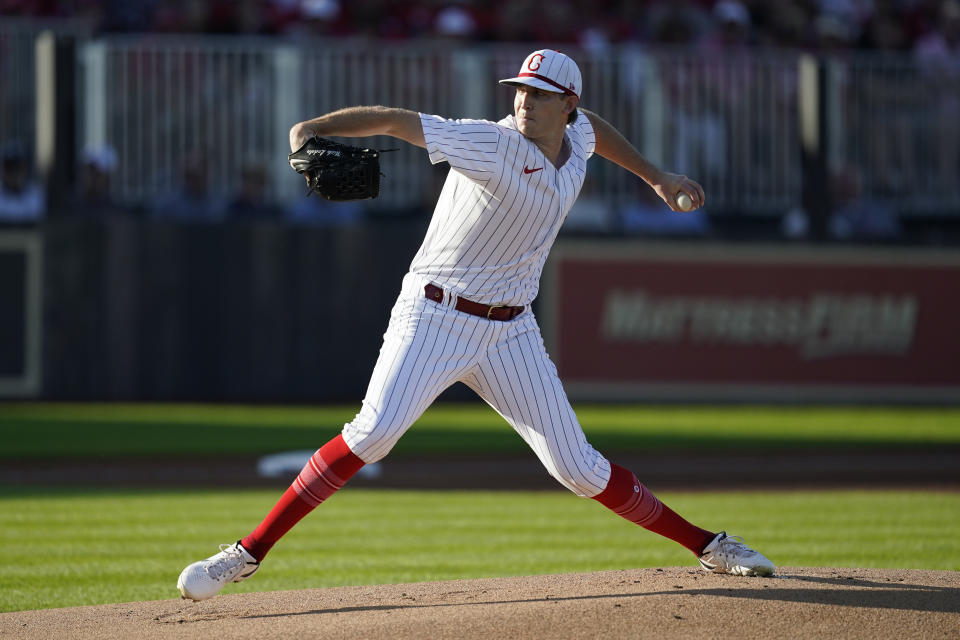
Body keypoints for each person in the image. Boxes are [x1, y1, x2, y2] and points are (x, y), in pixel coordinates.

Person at [177, 49, 774, 601]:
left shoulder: (577, 133)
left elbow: (594, 129)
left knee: (579, 467)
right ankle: (247, 553)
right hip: (435, 313)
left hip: (511, 331)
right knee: (373, 433)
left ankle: (707, 546)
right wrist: (312, 129)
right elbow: (393, 120)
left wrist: (655, 176)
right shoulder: (489, 142)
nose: (524, 101)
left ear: (565, 105)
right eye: (520, 90)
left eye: (540, 94)